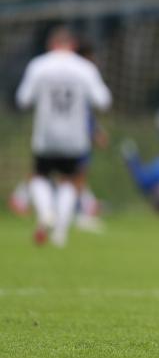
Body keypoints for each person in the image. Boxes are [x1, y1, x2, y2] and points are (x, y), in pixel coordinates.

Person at [15, 26, 112, 247]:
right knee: (71, 181)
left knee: (39, 176)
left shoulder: (39, 65)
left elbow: (22, 99)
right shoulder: (85, 68)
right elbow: (104, 100)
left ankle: (46, 212)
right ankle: (60, 233)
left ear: (52, 45)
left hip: (45, 135)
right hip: (74, 137)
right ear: (73, 46)